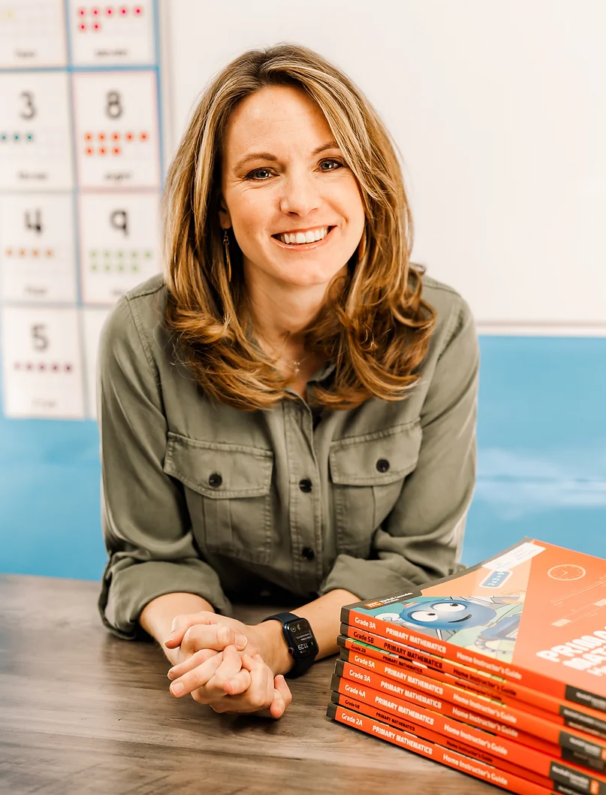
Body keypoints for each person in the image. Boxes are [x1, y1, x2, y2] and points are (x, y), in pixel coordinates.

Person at [97, 43, 479, 720]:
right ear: (217, 202)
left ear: (368, 182)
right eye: (261, 172)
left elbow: (418, 566)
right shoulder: (140, 337)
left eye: (330, 163)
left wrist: (274, 644)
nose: (301, 200)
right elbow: (149, 561)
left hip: (381, 681)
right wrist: (204, 647)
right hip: (213, 666)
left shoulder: (436, 326)